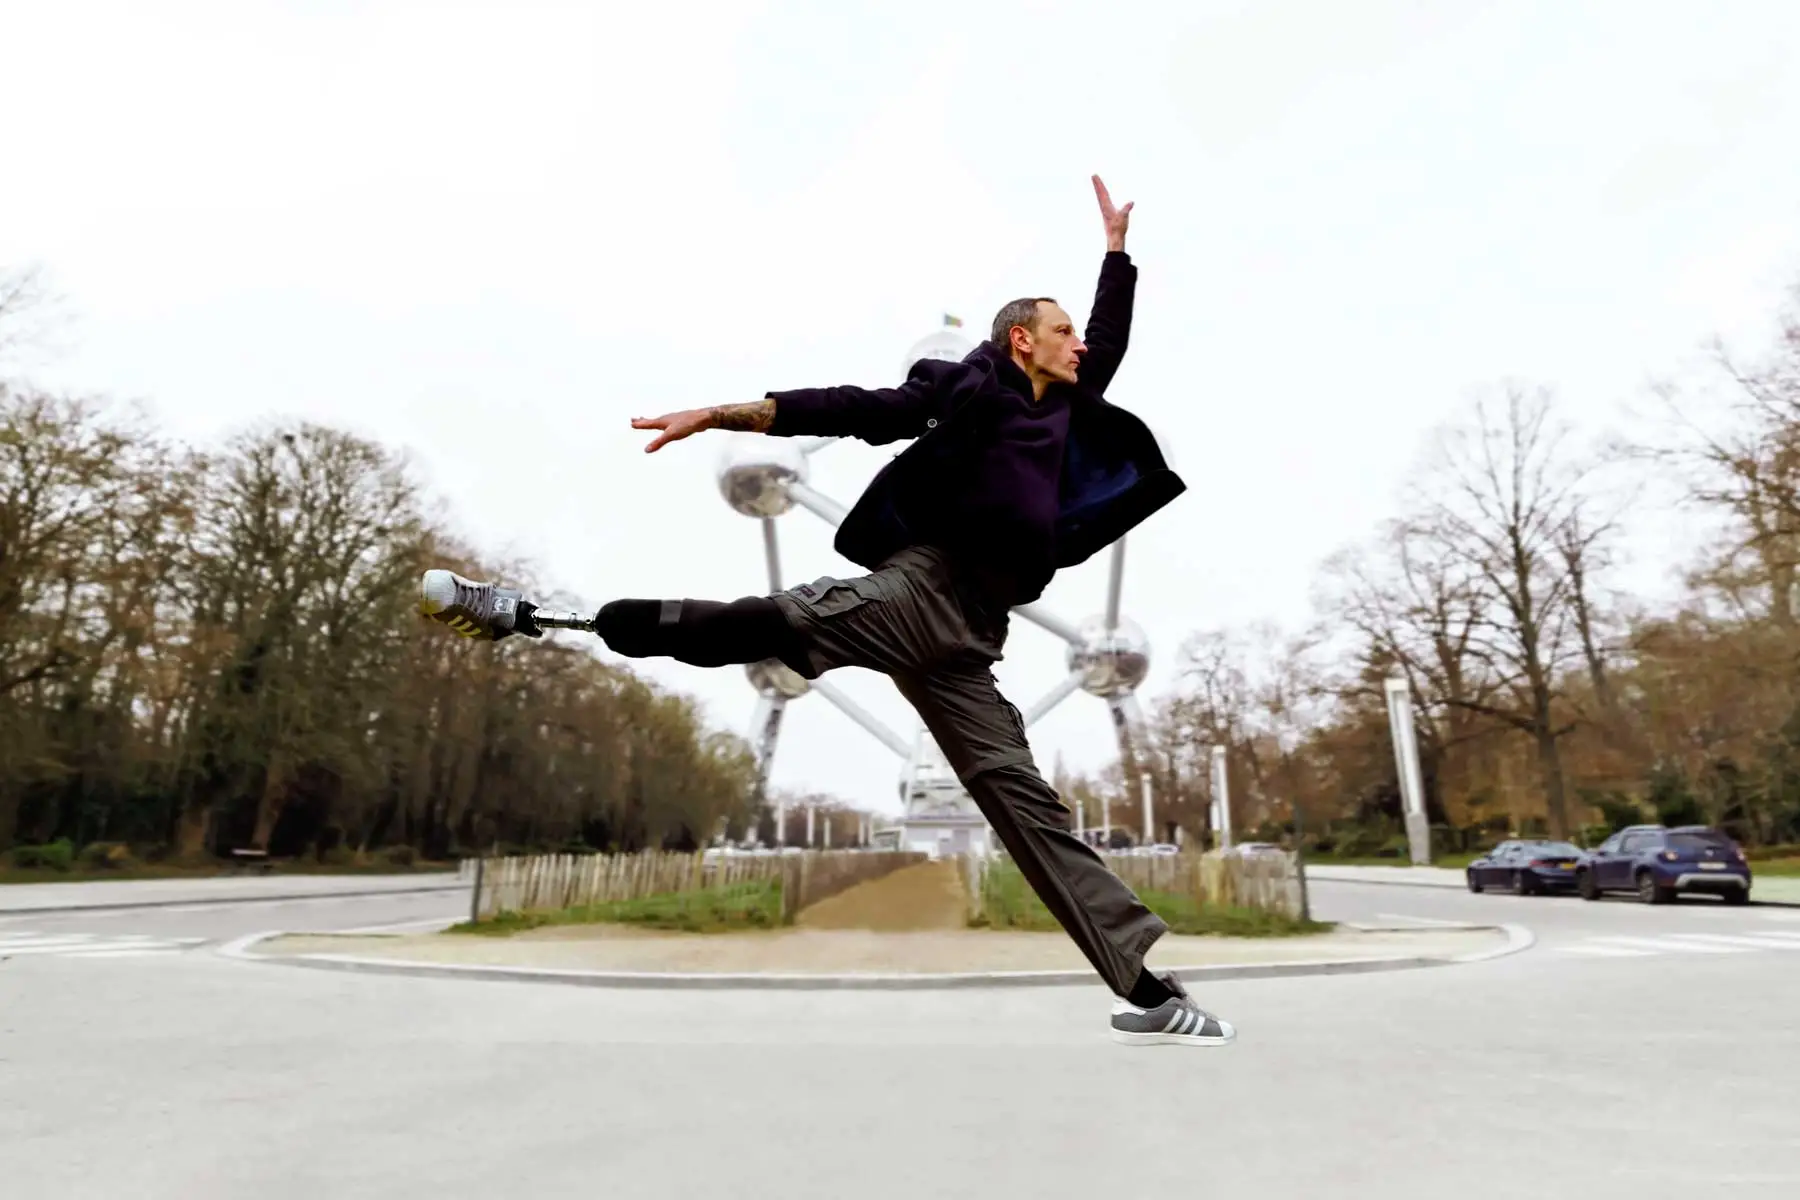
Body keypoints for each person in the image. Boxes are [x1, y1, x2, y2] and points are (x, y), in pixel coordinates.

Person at [419, 176, 1234, 1047]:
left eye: (1079, 333)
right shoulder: (973, 391)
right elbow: (857, 409)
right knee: (770, 622)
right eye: (1063, 331)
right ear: (1021, 340)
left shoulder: (1067, 404)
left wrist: (1116, 252)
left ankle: (1148, 992)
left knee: (1022, 805)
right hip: (919, 589)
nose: (1081, 346)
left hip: (969, 640)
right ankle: (532, 616)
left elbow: (1109, 340)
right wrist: (723, 413)